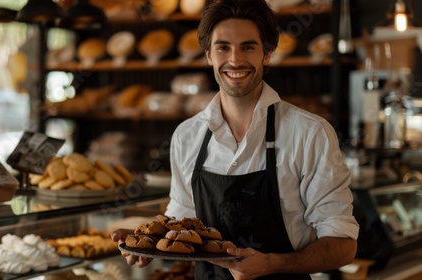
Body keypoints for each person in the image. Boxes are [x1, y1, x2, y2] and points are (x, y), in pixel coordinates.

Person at [111, 0, 359, 279]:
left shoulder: (310, 133)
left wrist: (272, 264)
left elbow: (343, 246)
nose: (235, 60)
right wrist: (147, 244)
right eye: (223, 47)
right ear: (208, 55)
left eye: (248, 47)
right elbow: (182, 222)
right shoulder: (187, 136)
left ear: (267, 54)